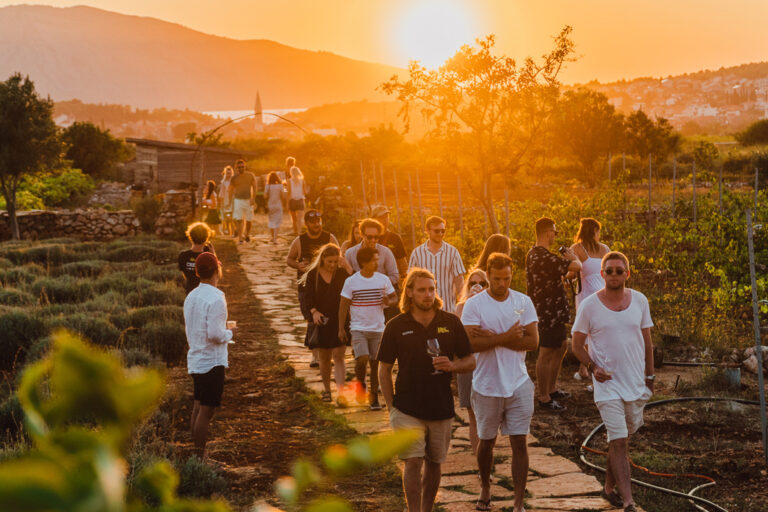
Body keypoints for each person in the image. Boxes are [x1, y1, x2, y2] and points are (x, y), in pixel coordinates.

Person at [378, 268, 475, 512]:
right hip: (407, 407)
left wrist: (452, 365)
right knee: (413, 461)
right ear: (409, 292)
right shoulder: (396, 326)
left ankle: (427, 508)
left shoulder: (450, 322)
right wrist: (392, 409)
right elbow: (384, 369)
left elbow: (470, 361)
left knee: (434, 463)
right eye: (421, 290)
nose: (428, 295)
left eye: (431, 289)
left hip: (440, 406)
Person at [571, 252, 654, 512]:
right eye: (610, 271)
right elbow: (576, 344)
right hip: (606, 385)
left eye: (620, 271)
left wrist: (650, 378)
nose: (614, 275)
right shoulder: (589, 306)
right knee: (619, 441)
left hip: (635, 383)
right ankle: (628, 500)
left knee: (620, 437)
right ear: (602, 274)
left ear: (627, 274)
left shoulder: (640, 301)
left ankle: (607, 488)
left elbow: (648, 343)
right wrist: (593, 367)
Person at [461, 253, 539, 512]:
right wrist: (506, 336)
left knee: (519, 441)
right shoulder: (475, 305)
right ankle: (485, 486)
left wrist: (492, 338)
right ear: (487, 276)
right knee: (486, 441)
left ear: (511, 274)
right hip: (486, 384)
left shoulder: (523, 301)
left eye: (506, 278)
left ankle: (518, 503)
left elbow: (532, 342)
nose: (502, 284)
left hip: (518, 382)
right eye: (496, 279)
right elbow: (470, 344)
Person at [526, 217, 582, 411]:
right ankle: (543, 397)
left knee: (560, 347)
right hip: (546, 312)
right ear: (547, 231)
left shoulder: (539, 256)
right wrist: (572, 257)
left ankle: (551, 389)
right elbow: (577, 266)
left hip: (554, 311)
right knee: (547, 351)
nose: (555, 236)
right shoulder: (542, 256)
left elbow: (557, 275)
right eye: (555, 232)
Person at [183, 252, 235, 459]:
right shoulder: (216, 298)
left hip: (196, 357)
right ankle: (199, 456)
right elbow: (214, 334)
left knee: (198, 406)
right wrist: (231, 333)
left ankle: (195, 454)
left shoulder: (191, 296)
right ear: (217, 270)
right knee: (206, 411)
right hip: (211, 361)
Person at [339, 247, 398, 410]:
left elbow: (395, 298)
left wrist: (389, 301)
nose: (377, 263)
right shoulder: (352, 281)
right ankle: (360, 384)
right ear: (364, 262)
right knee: (362, 358)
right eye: (374, 260)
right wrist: (341, 328)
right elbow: (343, 304)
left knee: (375, 363)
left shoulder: (383, 279)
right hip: (358, 327)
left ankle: (373, 397)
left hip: (378, 328)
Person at [287, 210, 344, 367]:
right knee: (312, 319)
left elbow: (338, 258)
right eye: (313, 222)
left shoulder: (329, 238)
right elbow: (289, 259)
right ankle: (315, 356)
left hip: (329, 285)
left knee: (331, 318)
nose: (316, 224)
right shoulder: (299, 241)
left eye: (318, 221)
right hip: (306, 287)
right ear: (307, 224)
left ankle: (329, 353)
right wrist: (298, 265)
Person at [300, 243, 351, 406]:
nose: (332, 265)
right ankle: (327, 390)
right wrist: (314, 312)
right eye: (329, 261)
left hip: (340, 319)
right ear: (322, 259)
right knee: (324, 357)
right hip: (322, 320)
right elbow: (307, 297)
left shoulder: (342, 273)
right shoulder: (313, 275)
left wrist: (347, 266)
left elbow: (356, 284)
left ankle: (341, 392)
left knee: (339, 356)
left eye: (335, 262)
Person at [569, 218, 611, 380]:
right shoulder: (605, 249)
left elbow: (572, 273)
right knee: (600, 329)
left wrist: (568, 279)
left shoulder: (576, 249)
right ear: (594, 231)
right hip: (603, 292)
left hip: (585, 293)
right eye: (598, 231)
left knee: (584, 329)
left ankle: (585, 368)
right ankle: (590, 367)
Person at [454, 268, 489, 455]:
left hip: (487, 365)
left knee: (487, 416)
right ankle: (479, 459)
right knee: (473, 415)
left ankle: (485, 454)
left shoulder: (493, 306)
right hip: (468, 364)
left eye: (481, 284)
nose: (477, 287)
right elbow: (460, 339)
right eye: (472, 283)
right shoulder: (461, 307)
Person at [408, 216, 465, 314]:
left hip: (447, 308)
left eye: (443, 231)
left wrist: (462, 303)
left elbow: (459, 281)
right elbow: (410, 281)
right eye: (437, 231)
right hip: (423, 310)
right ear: (427, 231)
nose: (440, 234)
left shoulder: (452, 252)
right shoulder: (417, 253)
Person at [344, 218, 399, 287]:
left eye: (376, 237)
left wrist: (377, 284)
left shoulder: (386, 252)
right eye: (369, 237)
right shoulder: (350, 253)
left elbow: (394, 276)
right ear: (362, 235)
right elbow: (344, 277)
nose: (373, 240)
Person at [178, 222, 216, 295]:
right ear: (206, 238)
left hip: (190, 293)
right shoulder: (208, 257)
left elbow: (185, 275)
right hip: (206, 294)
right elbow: (216, 275)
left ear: (190, 237)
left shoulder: (183, 256)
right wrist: (213, 256)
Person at [371, 205, 408, 279]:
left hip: (390, 280)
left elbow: (402, 263)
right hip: (371, 280)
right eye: (381, 218)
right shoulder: (368, 237)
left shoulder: (395, 238)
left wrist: (405, 280)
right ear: (373, 219)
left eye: (386, 217)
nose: (385, 220)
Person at [228, 159, 258, 243]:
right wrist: (230, 201)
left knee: (249, 220)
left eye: (243, 167)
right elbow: (230, 190)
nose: (241, 168)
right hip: (238, 200)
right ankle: (240, 237)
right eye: (239, 167)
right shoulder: (234, 178)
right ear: (236, 168)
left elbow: (255, 187)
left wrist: (253, 198)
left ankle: (247, 234)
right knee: (238, 219)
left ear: (245, 167)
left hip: (248, 200)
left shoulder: (250, 175)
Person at [286, 157, 308, 235]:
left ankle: (295, 231)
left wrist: (287, 203)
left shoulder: (289, 181)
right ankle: (299, 233)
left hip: (292, 201)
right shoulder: (302, 181)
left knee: (294, 219)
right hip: (300, 200)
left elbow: (288, 193)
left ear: (291, 173)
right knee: (299, 219)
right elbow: (305, 192)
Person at [265, 172, 285, 244]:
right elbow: (282, 196)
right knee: (277, 222)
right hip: (278, 205)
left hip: (270, 205)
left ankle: (272, 237)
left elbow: (265, 196)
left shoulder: (268, 186)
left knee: (271, 221)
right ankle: (275, 238)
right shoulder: (280, 186)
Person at [218, 166, 234, 236]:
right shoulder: (223, 183)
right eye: (227, 173)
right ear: (225, 174)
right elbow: (221, 193)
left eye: (230, 173)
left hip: (233, 201)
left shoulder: (233, 182)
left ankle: (233, 231)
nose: (229, 175)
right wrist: (221, 202)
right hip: (225, 201)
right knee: (225, 217)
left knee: (232, 217)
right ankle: (225, 230)